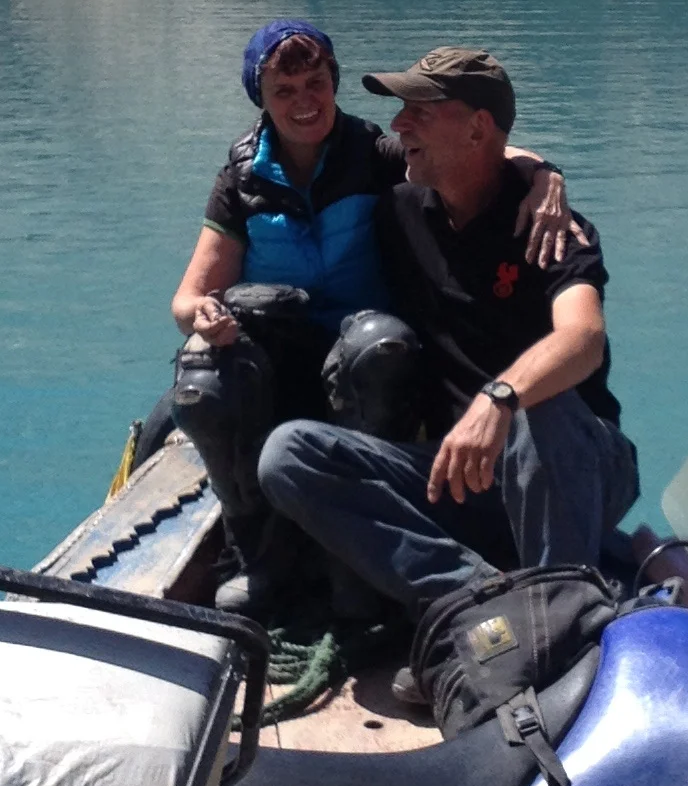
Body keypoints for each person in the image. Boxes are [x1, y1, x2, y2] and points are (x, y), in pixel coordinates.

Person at [167, 20, 575, 620]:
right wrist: (201, 315)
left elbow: (477, 146)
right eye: (286, 91)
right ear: (262, 99)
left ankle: (356, 566)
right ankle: (261, 559)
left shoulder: (375, 154)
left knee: (381, 348)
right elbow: (187, 298)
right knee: (202, 383)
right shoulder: (242, 179)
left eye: (317, 83)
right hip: (277, 359)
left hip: (363, 361)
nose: (305, 102)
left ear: (333, 83)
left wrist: (545, 173)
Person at [256, 47, 640, 620]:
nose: (398, 124)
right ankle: (482, 604)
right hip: (460, 474)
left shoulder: (552, 229)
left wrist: (501, 399)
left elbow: (582, 337)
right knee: (290, 455)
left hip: (575, 468)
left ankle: (554, 620)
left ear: (478, 129)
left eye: (420, 111)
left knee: (545, 408)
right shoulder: (403, 208)